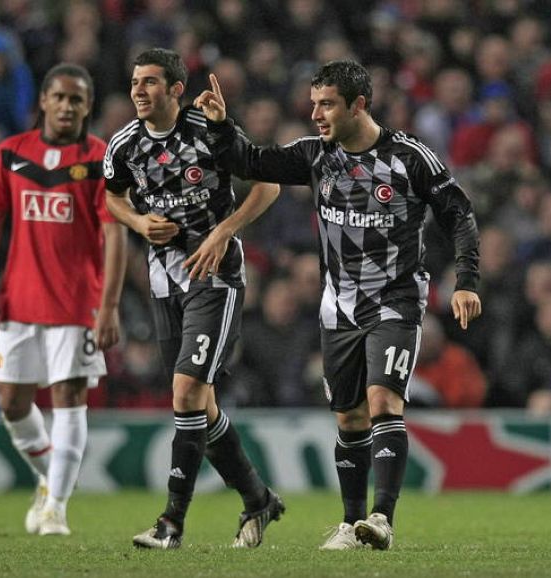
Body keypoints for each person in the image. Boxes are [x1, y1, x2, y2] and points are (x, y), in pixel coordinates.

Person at [195, 60, 482, 550]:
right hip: (339, 308)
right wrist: (223, 127)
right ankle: (352, 524)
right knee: (349, 419)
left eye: (327, 104)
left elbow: (459, 215)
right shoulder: (314, 155)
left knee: (382, 403)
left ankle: (382, 518)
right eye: (313, 104)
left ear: (359, 105)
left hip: (395, 300)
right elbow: (252, 164)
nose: (317, 114)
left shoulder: (410, 158)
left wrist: (466, 280)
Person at [103, 48, 283, 550]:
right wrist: (138, 222)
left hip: (215, 277)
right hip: (164, 283)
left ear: (176, 89)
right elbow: (111, 194)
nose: (139, 91)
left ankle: (171, 524)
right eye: (135, 82)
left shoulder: (209, 130)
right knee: (198, 405)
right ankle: (258, 499)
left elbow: (267, 184)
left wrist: (224, 231)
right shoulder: (124, 144)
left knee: (185, 393)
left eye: (151, 82)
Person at [0, 63, 127, 536]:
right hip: (19, 299)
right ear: (43, 100)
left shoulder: (101, 159)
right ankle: (49, 479)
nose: (67, 106)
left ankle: (56, 507)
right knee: (12, 402)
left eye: (77, 99)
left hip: (78, 301)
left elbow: (115, 233)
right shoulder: (12, 153)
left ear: (88, 107)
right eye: (59, 97)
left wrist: (111, 305)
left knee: (69, 397)